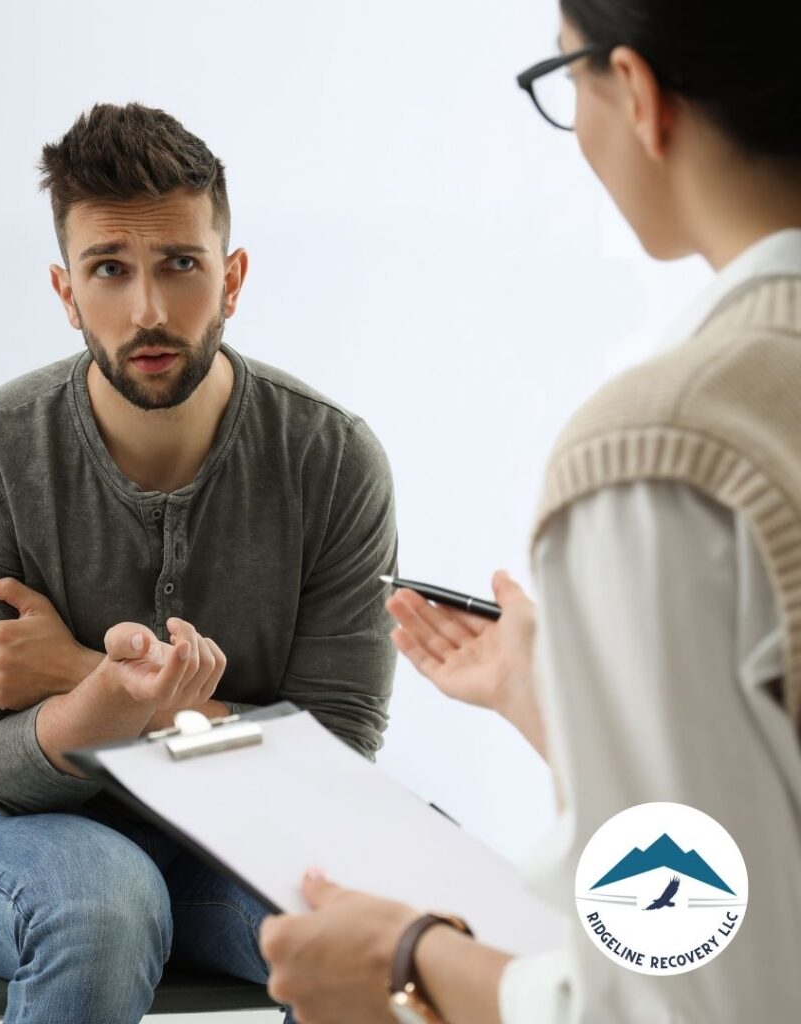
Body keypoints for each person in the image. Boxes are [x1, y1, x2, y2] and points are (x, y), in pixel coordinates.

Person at [259, 1, 801, 1020]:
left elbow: (686, 991)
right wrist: (551, 698)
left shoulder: (658, 453)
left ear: (636, 93)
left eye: (565, 79)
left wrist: (410, 961)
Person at [0, 102, 397, 1024]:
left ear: (232, 277)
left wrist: (87, 680)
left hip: (245, 831)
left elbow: (336, 764)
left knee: (386, 913)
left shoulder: (330, 457)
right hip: (26, 829)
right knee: (102, 907)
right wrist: (139, 699)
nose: (149, 310)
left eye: (181, 264)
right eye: (109, 270)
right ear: (66, 292)